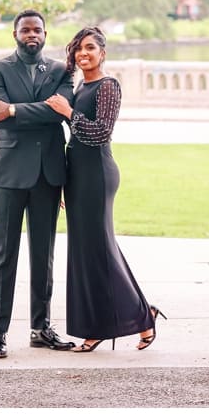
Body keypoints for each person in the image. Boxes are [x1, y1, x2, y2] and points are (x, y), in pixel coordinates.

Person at [45, 26, 164, 352]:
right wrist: (67, 183)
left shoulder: (109, 86)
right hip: (80, 176)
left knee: (99, 252)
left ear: (103, 53)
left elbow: (100, 133)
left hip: (98, 174)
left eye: (89, 48)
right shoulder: (83, 85)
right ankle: (98, 326)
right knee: (87, 255)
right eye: (78, 49)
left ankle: (142, 316)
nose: (83, 54)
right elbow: (77, 140)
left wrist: (68, 112)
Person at [0, 10, 76, 358]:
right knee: (3, 255)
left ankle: (41, 327)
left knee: (44, 254)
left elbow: (59, 112)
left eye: (37, 29)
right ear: (15, 34)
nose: (32, 34)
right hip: (9, 175)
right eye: (26, 29)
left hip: (49, 174)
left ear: (45, 33)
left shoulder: (61, 71)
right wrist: (24, 112)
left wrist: (16, 111)